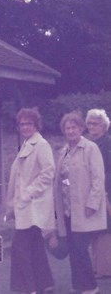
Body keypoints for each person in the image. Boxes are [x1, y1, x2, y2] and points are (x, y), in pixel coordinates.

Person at [54, 111, 106, 294]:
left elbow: (98, 178)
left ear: (80, 129)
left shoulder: (90, 148)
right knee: (74, 250)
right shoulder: (63, 151)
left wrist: (92, 204)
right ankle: (78, 285)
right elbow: (59, 180)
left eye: (73, 127)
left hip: (84, 209)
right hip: (67, 210)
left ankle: (91, 286)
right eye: (67, 128)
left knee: (81, 250)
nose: (70, 131)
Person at [6, 107, 55, 294]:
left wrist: (28, 193)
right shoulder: (27, 144)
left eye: (29, 123)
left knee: (20, 249)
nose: (25, 127)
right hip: (26, 206)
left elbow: (48, 172)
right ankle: (44, 284)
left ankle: (29, 288)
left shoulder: (41, 145)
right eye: (22, 124)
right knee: (34, 247)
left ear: (36, 125)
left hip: (33, 205)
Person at [86, 109, 111, 278]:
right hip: (94, 192)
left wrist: (105, 192)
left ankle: (104, 269)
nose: (92, 127)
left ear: (104, 125)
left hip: (106, 192)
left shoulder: (107, 144)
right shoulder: (91, 144)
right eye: (89, 123)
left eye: (95, 123)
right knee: (97, 229)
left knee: (105, 230)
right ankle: (97, 267)